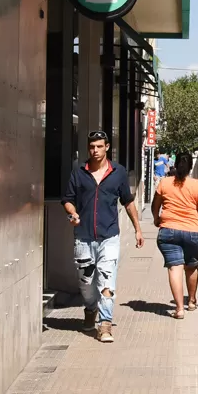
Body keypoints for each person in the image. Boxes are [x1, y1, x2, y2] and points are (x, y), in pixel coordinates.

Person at [62, 130, 144, 343]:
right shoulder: (78, 172)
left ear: (107, 147)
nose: (95, 151)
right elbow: (68, 199)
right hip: (83, 237)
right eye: (92, 147)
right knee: (86, 284)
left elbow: (127, 201)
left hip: (109, 236)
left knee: (107, 281)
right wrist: (72, 212)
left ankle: (105, 325)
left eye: (99, 146)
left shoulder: (118, 172)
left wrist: (137, 229)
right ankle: (90, 309)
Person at [152, 153, 198, 318]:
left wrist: (156, 218)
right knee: (191, 267)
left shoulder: (164, 183)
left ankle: (179, 309)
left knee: (175, 268)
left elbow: (155, 204)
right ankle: (192, 300)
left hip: (168, 231)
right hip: (193, 232)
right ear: (190, 167)